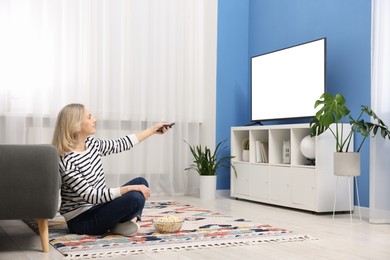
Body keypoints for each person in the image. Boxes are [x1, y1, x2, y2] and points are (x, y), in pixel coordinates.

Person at [52, 103, 171, 236]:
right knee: (135, 198)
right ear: (77, 124)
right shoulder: (66, 160)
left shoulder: (92, 144)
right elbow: (91, 195)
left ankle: (120, 224)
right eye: (89, 117)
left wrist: (153, 130)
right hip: (82, 220)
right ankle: (123, 223)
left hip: (99, 207)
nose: (95, 120)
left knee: (141, 182)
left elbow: (121, 144)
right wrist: (128, 189)